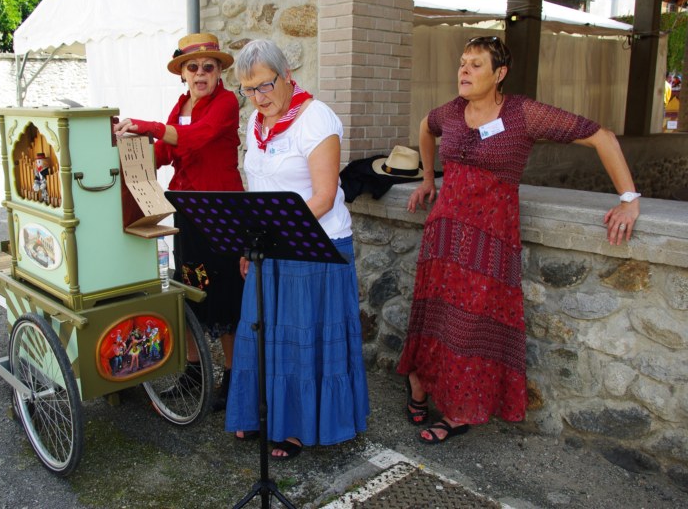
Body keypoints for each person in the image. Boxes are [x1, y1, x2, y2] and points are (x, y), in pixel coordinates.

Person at [398, 36, 640, 445]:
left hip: (490, 242)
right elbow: (425, 127)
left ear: (500, 73)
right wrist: (427, 179)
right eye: (462, 62)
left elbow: (603, 136)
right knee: (435, 314)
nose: (464, 70)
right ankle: (419, 383)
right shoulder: (451, 112)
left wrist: (629, 199)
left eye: (476, 64)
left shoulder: (523, 114)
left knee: (471, 326)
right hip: (443, 237)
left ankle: (458, 410)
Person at [224, 39, 370, 460]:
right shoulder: (256, 122)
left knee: (299, 340)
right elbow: (258, 187)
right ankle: (261, 413)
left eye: (265, 86)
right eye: (248, 90)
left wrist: (274, 234)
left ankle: (297, 427)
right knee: (266, 332)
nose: (258, 97)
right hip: (270, 244)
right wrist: (249, 242)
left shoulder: (316, 118)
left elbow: (323, 196)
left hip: (314, 247)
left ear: (287, 75)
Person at [113, 33, 245, 411]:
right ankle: (194, 373)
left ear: (218, 72)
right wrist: (123, 162)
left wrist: (149, 126)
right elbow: (165, 152)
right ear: (182, 74)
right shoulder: (181, 104)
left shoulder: (226, 103)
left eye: (208, 67)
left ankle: (234, 379)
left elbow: (195, 137)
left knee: (224, 294)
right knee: (188, 284)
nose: (200, 73)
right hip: (187, 208)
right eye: (193, 67)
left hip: (220, 212)